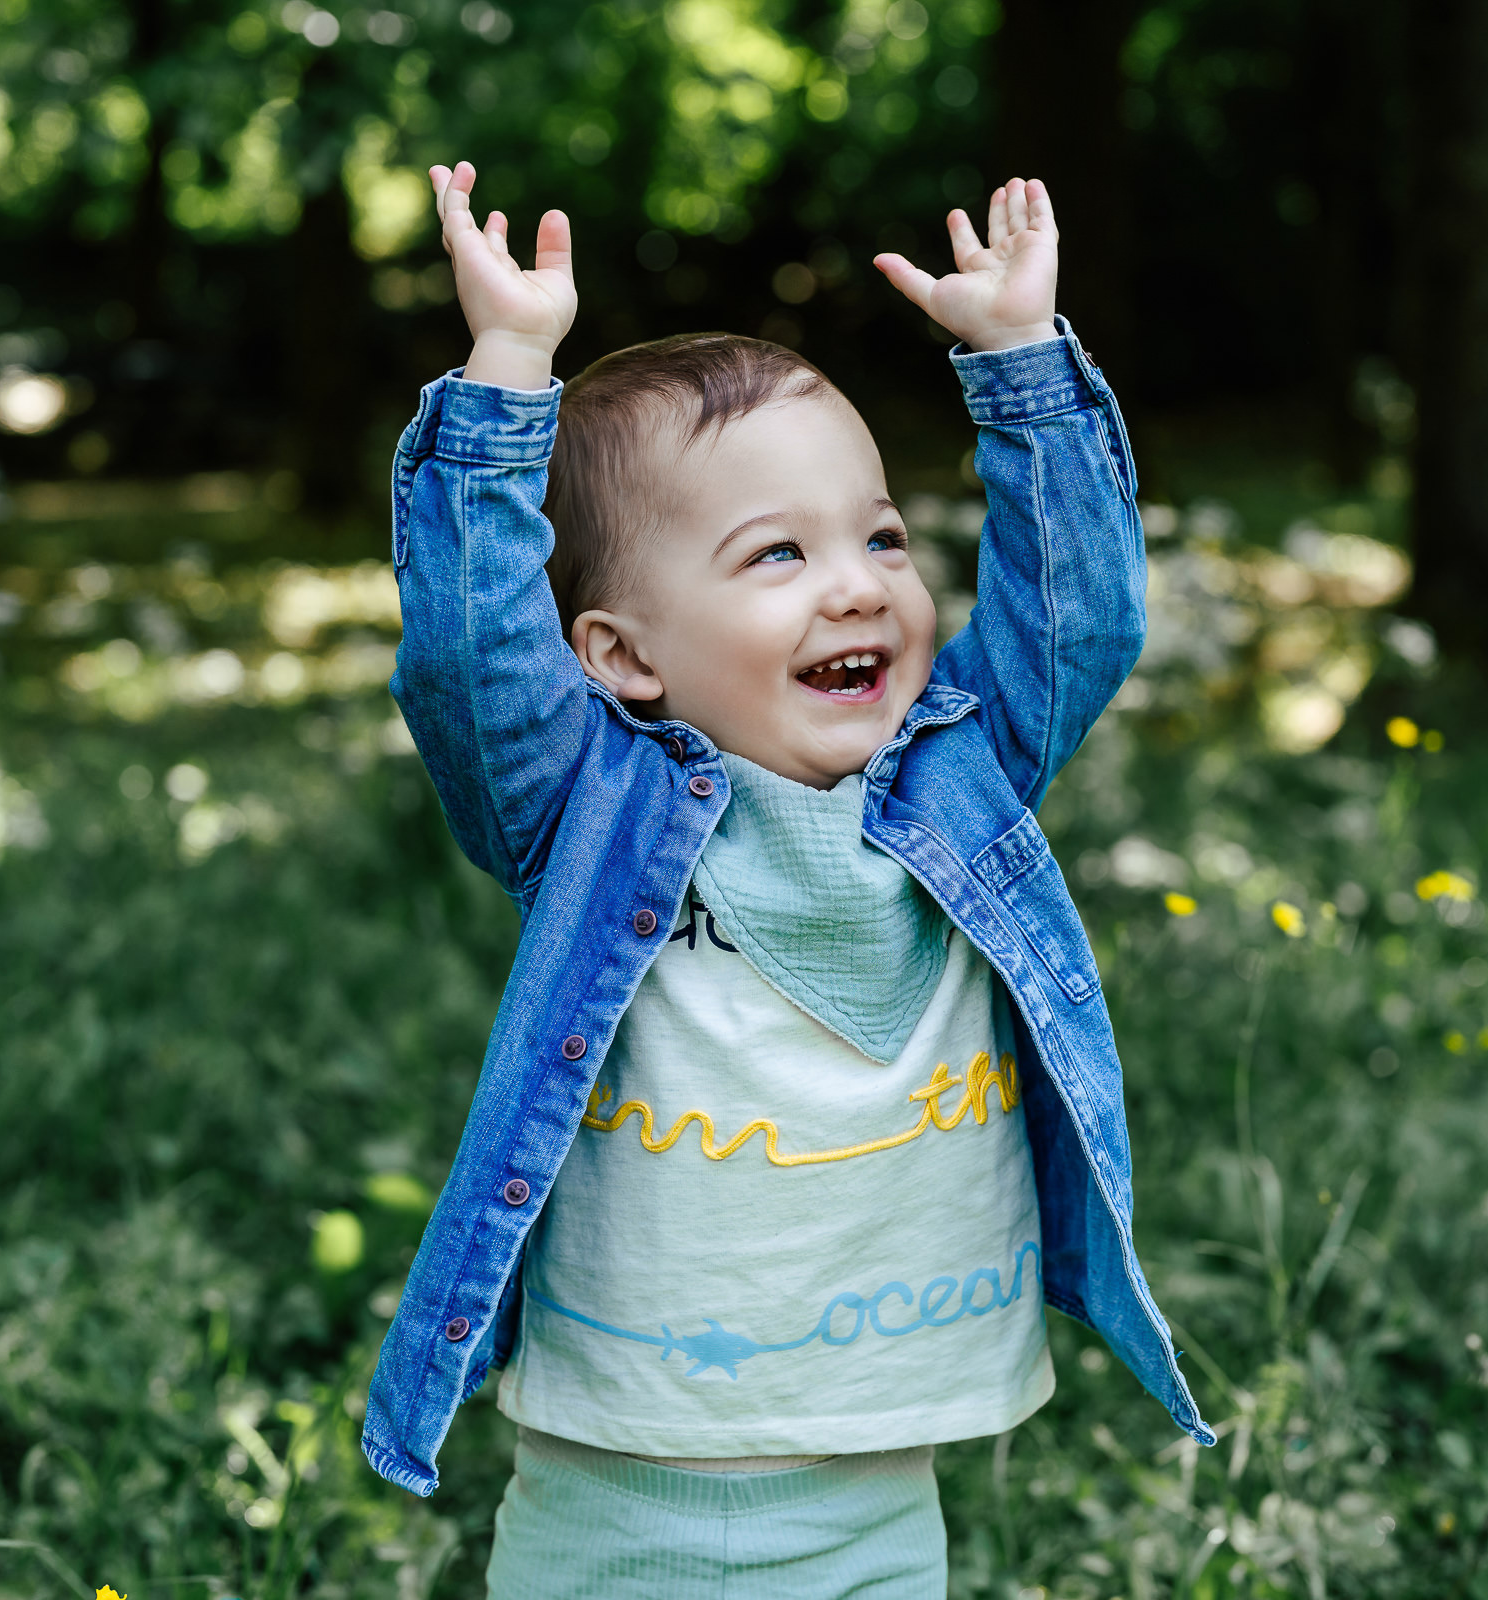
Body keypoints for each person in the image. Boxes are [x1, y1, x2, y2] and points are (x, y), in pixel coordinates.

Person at [360, 158, 1207, 1596]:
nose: (859, 582)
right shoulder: (585, 807)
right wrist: (507, 377)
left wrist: (1019, 370)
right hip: (625, 1493)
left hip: (881, 1484)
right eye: (777, 555)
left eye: (880, 535)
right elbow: (467, 660)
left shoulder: (961, 776)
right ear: (622, 657)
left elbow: (1085, 615)